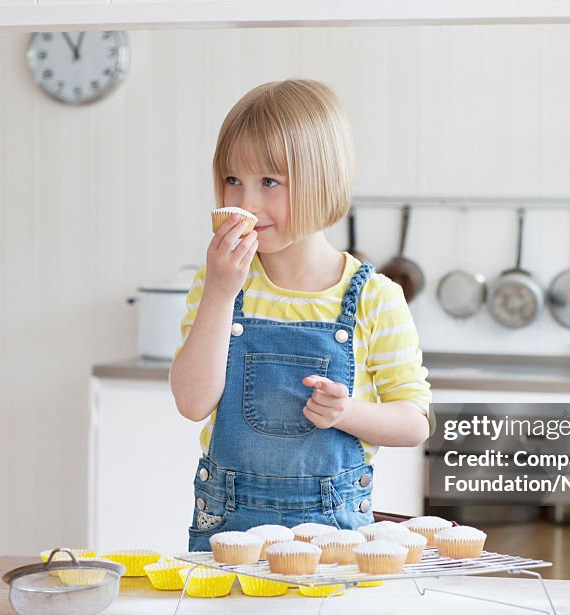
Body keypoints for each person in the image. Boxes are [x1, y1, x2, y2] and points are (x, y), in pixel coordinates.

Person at [170, 79, 431, 551]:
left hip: (335, 536)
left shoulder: (376, 296)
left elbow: (414, 423)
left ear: (321, 181)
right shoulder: (219, 285)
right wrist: (220, 293)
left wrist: (346, 412)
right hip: (228, 530)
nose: (246, 203)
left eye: (269, 182)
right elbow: (191, 403)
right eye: (234, 180)